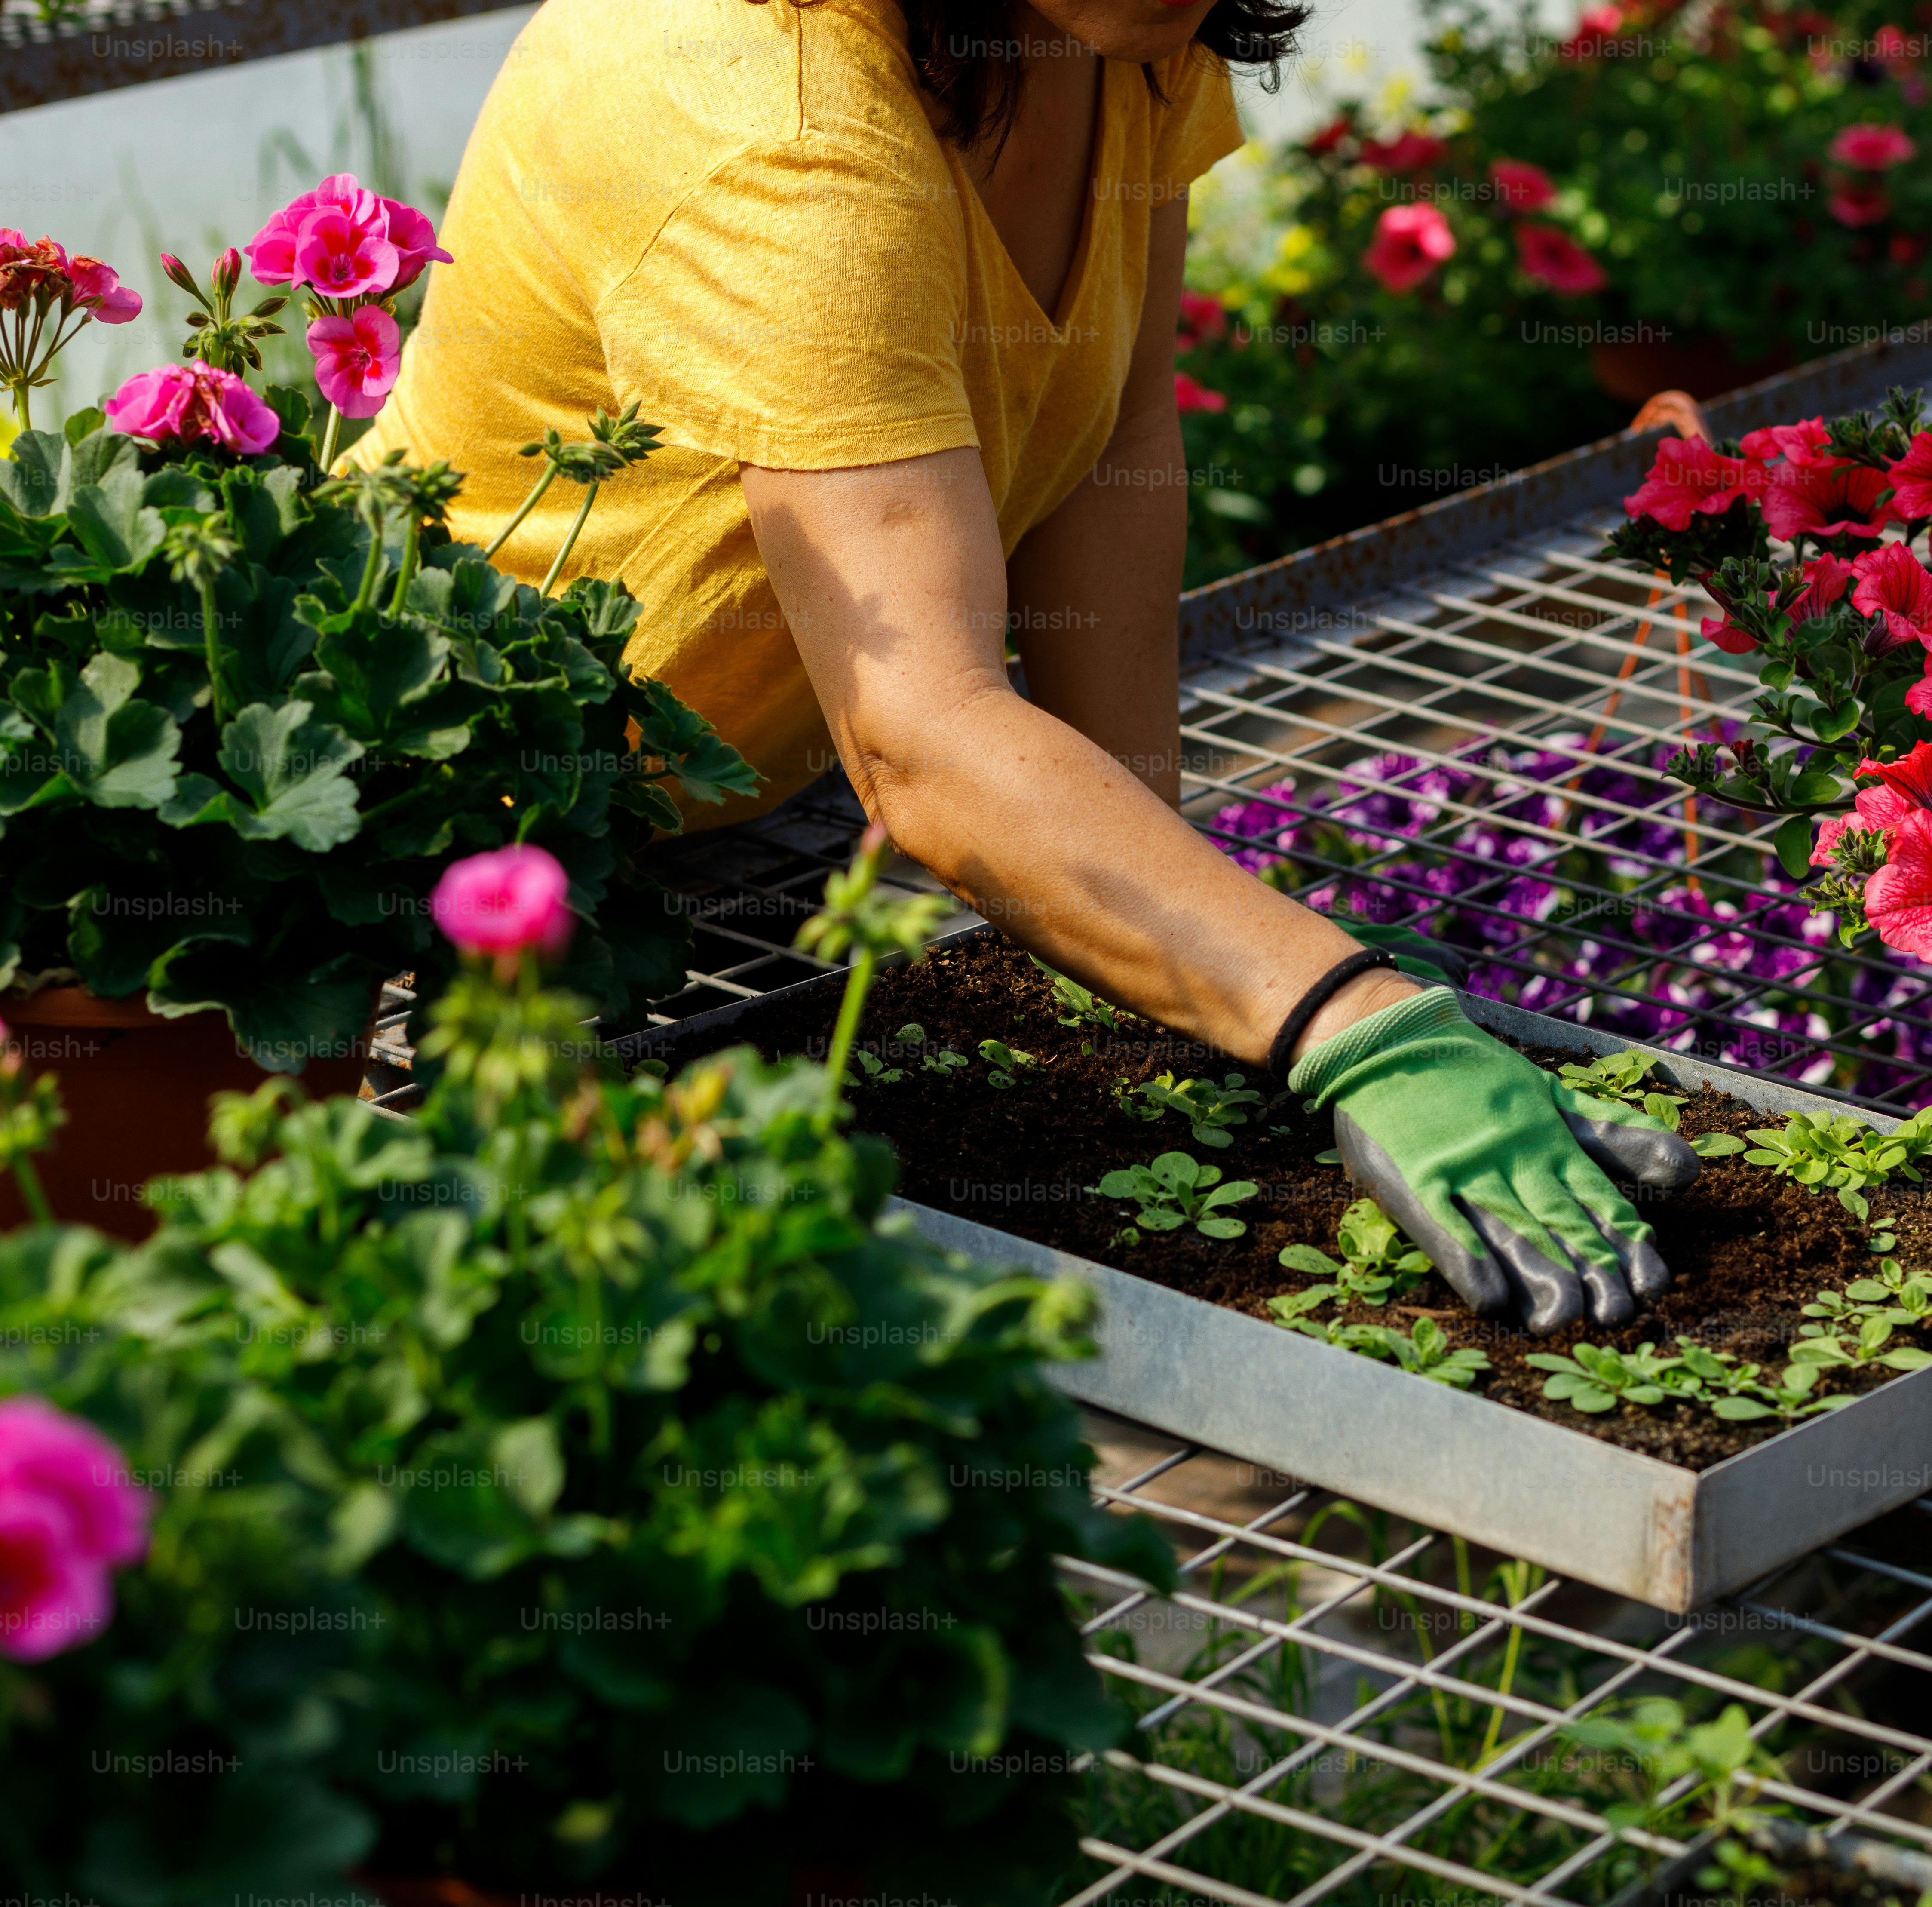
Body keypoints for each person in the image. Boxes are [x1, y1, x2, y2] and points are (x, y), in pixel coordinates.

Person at [351, 0, 1694, 1330]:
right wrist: (1346, 1014)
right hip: (475, 834)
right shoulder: (775, 120)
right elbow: (920, 732)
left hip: (756, 771)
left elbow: (1107, 436)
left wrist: (1182, 926)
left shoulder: (1129, 32)